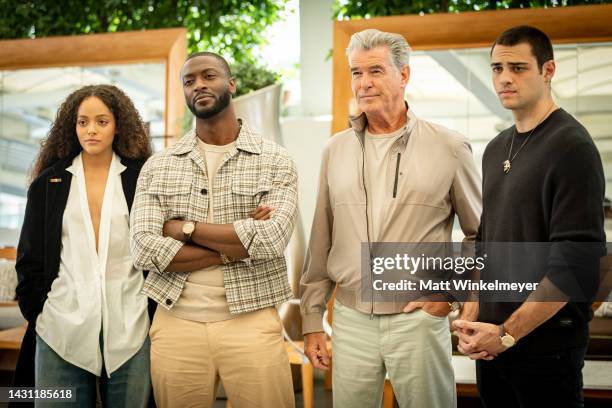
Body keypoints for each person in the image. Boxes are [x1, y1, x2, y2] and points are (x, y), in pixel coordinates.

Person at [300, 29, 482, 407]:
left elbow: (480, 233)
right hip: (349, 319)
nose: (364, 83)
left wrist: (451, 293)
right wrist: (312, 318)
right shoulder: (335, 149)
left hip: (417, 318)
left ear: (404, 75)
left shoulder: (449, 147)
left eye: (376, 71)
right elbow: (321, 238)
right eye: (356, 73)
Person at [130, 51, 298, 408]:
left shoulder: (275, 159)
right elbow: (144, 248)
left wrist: (183, 228)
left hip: (252, 320)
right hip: (176, 324)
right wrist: (235, 244)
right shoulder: (158, 166)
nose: (199, 85)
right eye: (189, 81)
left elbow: (270, 240)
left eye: (209, 76)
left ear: (231, 84)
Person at [453, 25, 605, 408]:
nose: (504, 78)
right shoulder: (496, 148)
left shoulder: (572, 147)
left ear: (548, 70)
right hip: (493, 345)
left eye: (518, 67)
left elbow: (574, 264)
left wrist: (507, 333)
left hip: (546, 349)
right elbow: (487, 243)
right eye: (496, 68)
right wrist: (472, 310)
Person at [14, 84, 154, 407]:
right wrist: (42, 315)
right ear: (72, 126)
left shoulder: (140, 179)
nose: (91, 130)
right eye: (83, 122)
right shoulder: (48, 184)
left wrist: (150, 316)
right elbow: (29, 260)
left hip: (131, 329)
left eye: (101, 121)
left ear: (118, 125)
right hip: (60, 331)